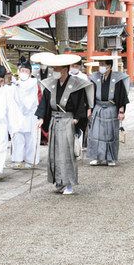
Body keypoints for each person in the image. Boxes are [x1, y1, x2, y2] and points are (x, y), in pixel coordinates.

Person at [35, 54, 93, 195]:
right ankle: (59, 182)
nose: (54, 71)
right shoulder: (51, 84)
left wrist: (77, 119)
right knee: (54, 152)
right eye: (54, 68)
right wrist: (41, 117)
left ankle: (69, 184)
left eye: (57, 68)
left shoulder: (76, 85)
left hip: (68, 120)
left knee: (66, 153)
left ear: (65, 70)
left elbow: (81, 104)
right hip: (54, 121)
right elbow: (45, 103)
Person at [87, 56, 130, 166]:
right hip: (98, 107)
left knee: (110, 134)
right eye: (100, 64)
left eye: (103, 64)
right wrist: (89, 109)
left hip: (111, 108)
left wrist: (121, 112)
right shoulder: (94, 77)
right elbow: (89, 95)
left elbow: (121, 96)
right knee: (96, 133)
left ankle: (111, 158)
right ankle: (96, 157)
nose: (101, 67)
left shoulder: (118, 78)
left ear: (109, 66)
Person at [11, 56, 40, 169]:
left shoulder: (33, 82)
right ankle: (17, 159)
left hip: (30, 113)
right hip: (18, 114)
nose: (23, 73)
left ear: (30, 73)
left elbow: (29, 98)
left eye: (26, 71)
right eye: (22, 70)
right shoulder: (15, 83)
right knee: (17, 136)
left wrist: (18, 87)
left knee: (31, 137)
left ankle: (30, 160)